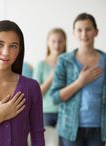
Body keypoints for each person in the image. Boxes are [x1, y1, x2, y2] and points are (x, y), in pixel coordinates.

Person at [0, 20, 45, 146]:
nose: (6, 52)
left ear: (19, 50)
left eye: (13, 46)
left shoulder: (31, 87)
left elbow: (37, 136)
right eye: (0, 44)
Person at [50, 12, 106, 146]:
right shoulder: (64, 61)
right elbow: (55, 97)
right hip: (70, 129)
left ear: (96, 32)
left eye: (88, 29)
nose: (84, 34)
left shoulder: (105, 60)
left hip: (99, 129)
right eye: (79, 30)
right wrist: (80, 82)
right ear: (74, 33)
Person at [34, 28, 67, 146]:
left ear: (65, 43)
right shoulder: (41, 65)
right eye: (53, 41)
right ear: (48, 43)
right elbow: (36, 93)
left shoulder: (69, 64)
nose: (57, 44)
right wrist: (51, 77)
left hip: (65, 112)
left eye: (60, 41)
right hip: (45, 112)